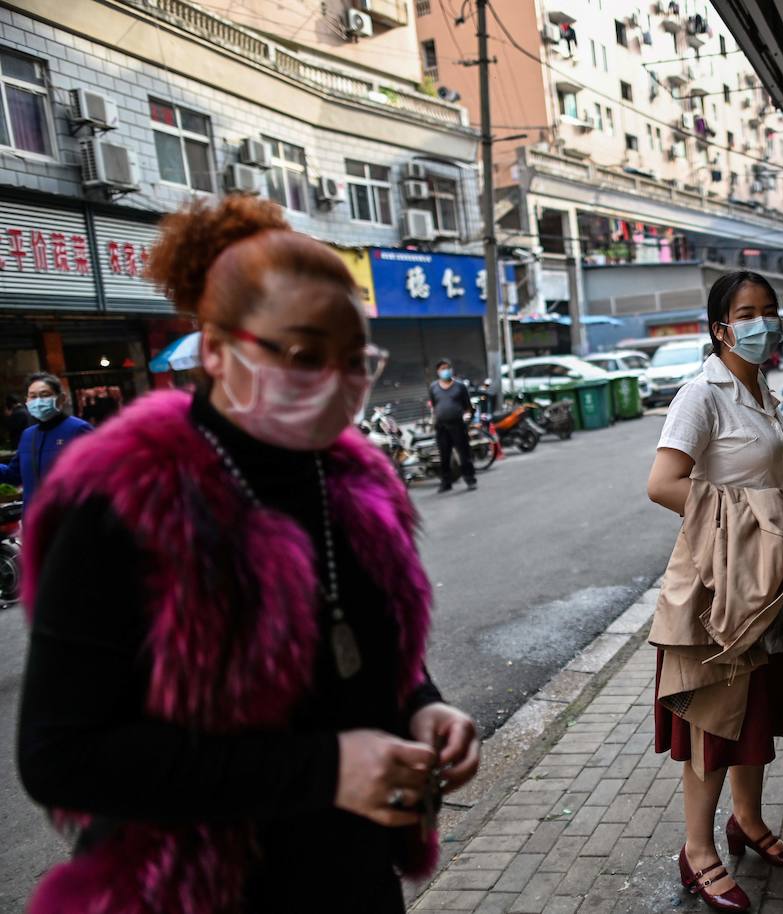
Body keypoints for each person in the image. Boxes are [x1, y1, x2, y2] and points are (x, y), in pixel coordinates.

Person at [17, 196, 481, 914]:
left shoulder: (354, 481)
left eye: (355, 360)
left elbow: (356, 633)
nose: (336, 382)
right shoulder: (124, 502)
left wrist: (421, 702)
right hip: (194, 890)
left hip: (354, 873)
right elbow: (61, 756)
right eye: (301, 356)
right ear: (215, 351)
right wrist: (323, 769)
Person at [647, 271, 783, 912]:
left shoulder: (762, 392)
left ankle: (747, 823)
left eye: (770, 311)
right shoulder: (702, 395)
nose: (762, 322)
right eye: (747, 312)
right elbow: (662, 482)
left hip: (769, 579)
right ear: (720, 326)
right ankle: (697, 853)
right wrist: (748, 521)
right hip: (716, 584)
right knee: (715, 719)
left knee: (760, 710)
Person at [0, 373, 93, 512]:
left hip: (70, 520)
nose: (38, 401)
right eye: (33, 396)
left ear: (61, 399)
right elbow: (14, 475)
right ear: (27, 400)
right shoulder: (28, 435)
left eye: (44, 395)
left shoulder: (78, 429)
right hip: (34, 519)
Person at [428, 359, 477, 492]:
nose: (445, 371)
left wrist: (467, 417)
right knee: (444, 455)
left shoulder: (460, 386)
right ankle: (446, 482)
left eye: (447, 368)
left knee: (464, 454)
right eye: (442, 368)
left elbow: (467, 406)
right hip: (441, 426)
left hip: (457, 425)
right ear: (438, 372)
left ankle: (470, 479)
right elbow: (434, 404)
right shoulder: (433, 387)